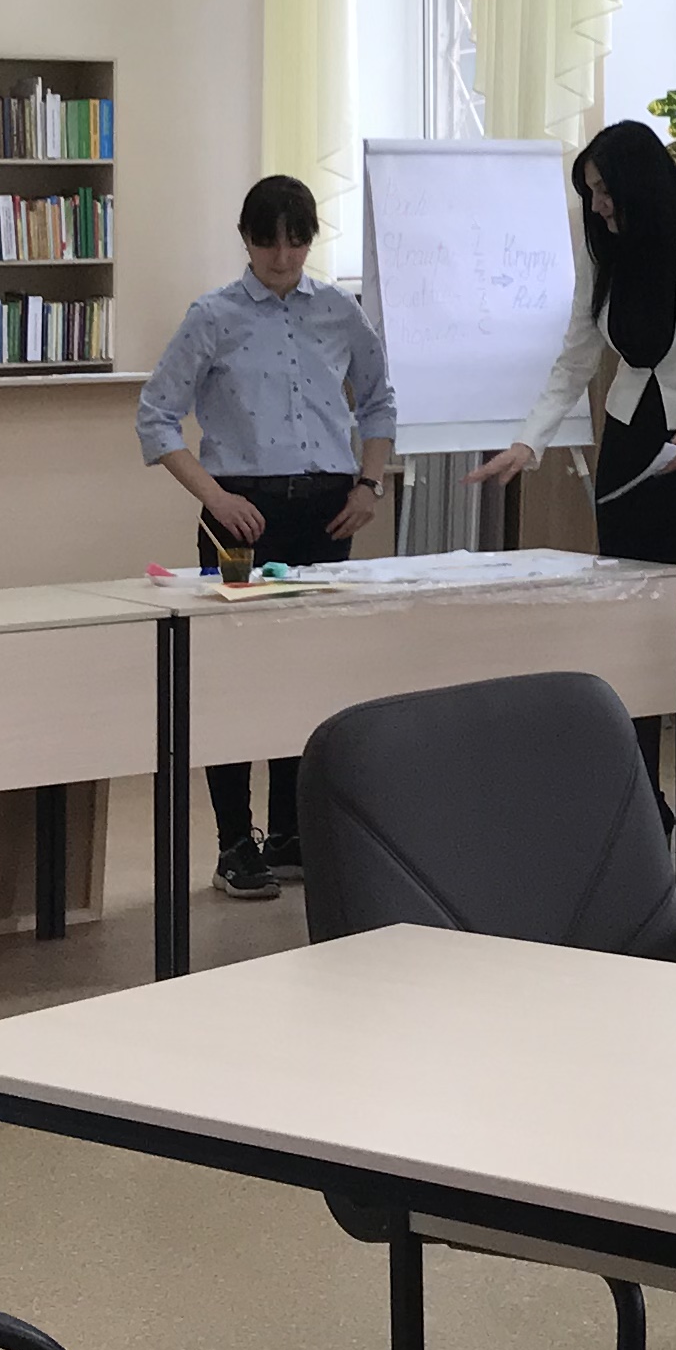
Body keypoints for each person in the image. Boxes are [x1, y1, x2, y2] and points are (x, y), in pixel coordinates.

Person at [474, 120, 676, 898]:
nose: (598, 207)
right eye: (591, 194)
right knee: (635, 635)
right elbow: (576, 357)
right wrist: (529, 443)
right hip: (633, 451)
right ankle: (645, 816)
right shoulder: (602, 251)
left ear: (639, 185)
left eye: (605, 191)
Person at [137, 174, 395, 903]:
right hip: (240, 515)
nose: (282, 257)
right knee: (235, 678)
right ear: (245, 240)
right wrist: (215, 497)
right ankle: (234, 841)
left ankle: (289, 830)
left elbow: (379, 402)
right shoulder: (213, 315)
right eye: (268, 242)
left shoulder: (340, 311)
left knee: (308, 674)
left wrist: (369, 486)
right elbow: (156, 416)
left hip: (327, 512)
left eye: (296, 241)